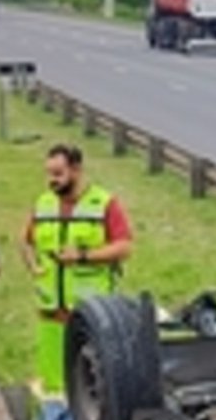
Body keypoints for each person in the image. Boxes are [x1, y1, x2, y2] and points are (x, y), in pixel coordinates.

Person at [19, 143, 133, 394]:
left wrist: (83, 256)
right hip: (49, 313)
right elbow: (25, 240)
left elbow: (125, 247)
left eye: (58, 174)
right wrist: (31, 264)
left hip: (89, 316)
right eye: (48, 174)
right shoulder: (43, 203)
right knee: (53, 384)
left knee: (91, 386)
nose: (52, 180)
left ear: (77, 170)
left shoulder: (104, 203)